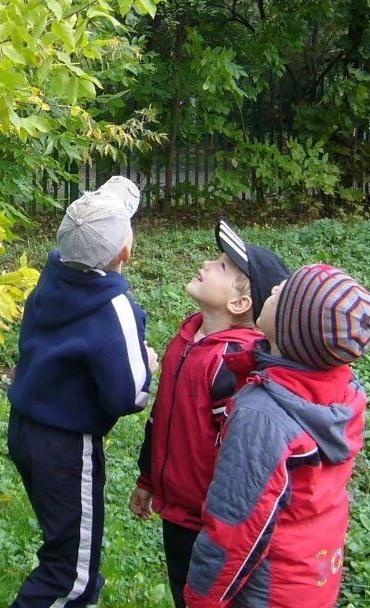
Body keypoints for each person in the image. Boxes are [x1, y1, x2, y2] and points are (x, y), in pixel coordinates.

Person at [184, 264, 370, 608]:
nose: (272, 289)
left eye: (283, 292)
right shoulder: (343, 391)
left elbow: (235, 525)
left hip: (266, 589)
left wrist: (201, 598)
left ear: (293, 330)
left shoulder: (262, 417)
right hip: (312, 575)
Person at [7, 176, 157, 608]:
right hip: (68, 447)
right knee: (70, 573)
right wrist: (144, 367)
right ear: (125, 252)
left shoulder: (52, 274)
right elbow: (126, 395)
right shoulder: (117, 307)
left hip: (25, 429)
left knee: (68, 547)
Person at [130, 219, 291, 608]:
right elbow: (161, 416)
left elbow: (241, 455)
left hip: (210, 522)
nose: (207, 263)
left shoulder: (235, 365)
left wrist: (221, 520)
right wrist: (148, 478)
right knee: (181, 592)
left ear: (239, 304)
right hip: (176, 511)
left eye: (221, 266)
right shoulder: (187, 339)